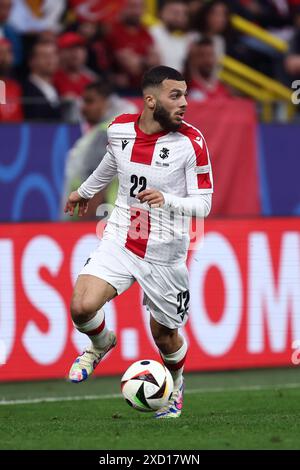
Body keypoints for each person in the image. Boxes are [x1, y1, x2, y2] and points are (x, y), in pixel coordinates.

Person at [64, 65, 213, 419]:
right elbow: (111, 163)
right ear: (150, 100)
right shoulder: (118, 129)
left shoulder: (191, 143)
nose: (184, 103)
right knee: (82, 307)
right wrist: (84, 191)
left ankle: (175, 385)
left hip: (165, 251)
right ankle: (101, 345)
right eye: (175, 95)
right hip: (122, 235)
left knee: (164, 336)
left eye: (185, 95)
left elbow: (204, 203)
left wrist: (168, 199)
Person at [61, 80, 137, 219]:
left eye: (90, 101)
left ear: (107, 103)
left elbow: (96, 187)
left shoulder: (106, 134)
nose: (83, 108)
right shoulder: (121, 130)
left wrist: (84, 231)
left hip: (96, 223)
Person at [23, 41, 61, 121]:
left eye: (53, 55)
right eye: (45, 56)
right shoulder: (25, 90)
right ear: (32, 61)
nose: (51, 60)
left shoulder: (57, 87)